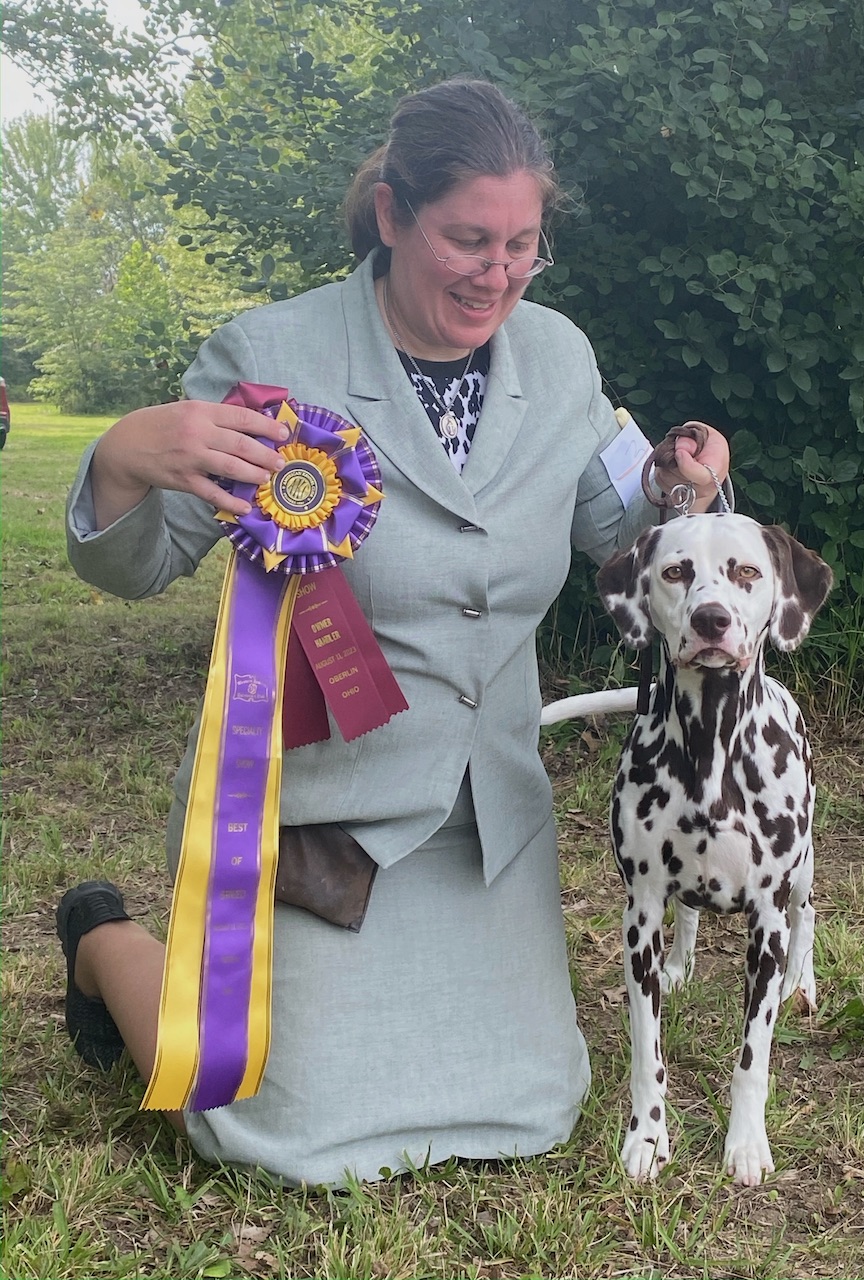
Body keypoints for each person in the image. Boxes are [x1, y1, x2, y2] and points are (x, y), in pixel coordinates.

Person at [60, 77, 730, 1188]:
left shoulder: (560, 355)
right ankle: (103, 940)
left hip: (487, 819)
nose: (497, 274)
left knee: (535, 1113)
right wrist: (125, 457)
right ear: (391, 214)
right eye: (468, 239)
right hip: (323, 822)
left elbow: (614, 529)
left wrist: (676, 487)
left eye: (522, 245)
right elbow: (138, 566)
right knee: (262, 1134)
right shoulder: (268, 354)